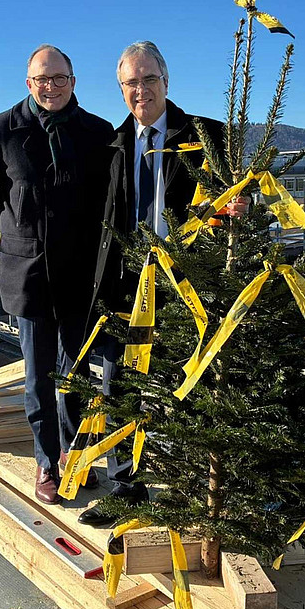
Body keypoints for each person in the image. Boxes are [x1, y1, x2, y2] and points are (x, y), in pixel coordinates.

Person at [80, 41, 239, 526]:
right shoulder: (112, 144)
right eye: (131, 83)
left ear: (166, 82)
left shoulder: (207, 134)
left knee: (190, 387)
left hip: (188, 284)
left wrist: (241, 209)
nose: (141, 90)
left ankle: (191, 491)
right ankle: (126, 489)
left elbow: (238, 197)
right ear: (121, 89)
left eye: (149, 79)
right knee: (119, 387)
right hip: (127, 285)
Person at [0, 44, 114, 505]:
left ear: (73, 81)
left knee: (77, 373)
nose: (51, 87)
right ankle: (47, 460)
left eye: (59, 78)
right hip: (29, 273)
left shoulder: (97, 132)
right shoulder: (1, 130)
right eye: (42, 79)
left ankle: (75, 454)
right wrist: (16, 227)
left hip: (81, 274)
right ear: (29, 83)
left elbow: (108, 197)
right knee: (39, 376)